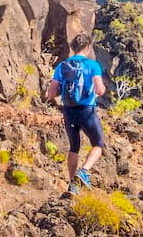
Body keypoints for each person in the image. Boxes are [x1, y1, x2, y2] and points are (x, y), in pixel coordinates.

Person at [45, 32, 107, 196]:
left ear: (73, 47)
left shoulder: (62, 66)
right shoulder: (93, 65)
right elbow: (100, 90)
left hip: (68, 111)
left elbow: (51, 93)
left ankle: (73, 185)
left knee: (74, 147)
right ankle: (84, 171)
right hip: (86, 110)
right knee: (98, 144)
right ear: (87, 47)